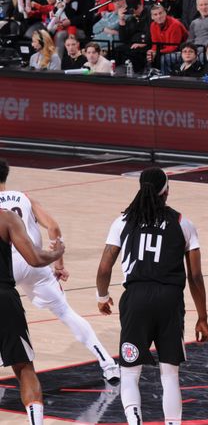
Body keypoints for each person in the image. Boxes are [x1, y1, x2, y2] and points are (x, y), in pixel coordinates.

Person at [96, 167, 208, 425]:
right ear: (166, 191)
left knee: (130, 373)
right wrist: (202, 317)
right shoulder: (182, 223)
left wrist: (102, 297)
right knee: (169, 375)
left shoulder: (123, 221)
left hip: (136, 298)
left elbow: (104, 268)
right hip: (170, 301)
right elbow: (195, 277)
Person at [0, 159, 120, 384]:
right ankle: (108, 364)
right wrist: (59, 264)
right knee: (66, 312)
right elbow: (53, 227)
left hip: (6, 266)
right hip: (35, 262)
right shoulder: (24, 197)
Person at [0, 197, 65, 425]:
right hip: (3, 298)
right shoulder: (6, 218)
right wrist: (57, 254)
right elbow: (35, 259)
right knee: (24, 367)